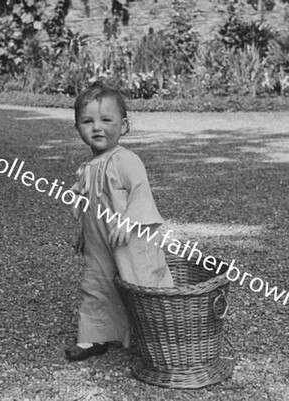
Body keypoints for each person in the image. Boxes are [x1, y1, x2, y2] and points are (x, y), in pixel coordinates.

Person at [65, 81, 174, 362]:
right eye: (87, 121)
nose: (97, 127)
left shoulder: (126, 160)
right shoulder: (88, 167)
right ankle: (95, 335)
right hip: (99, 241)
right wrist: (85, 233)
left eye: (106, 120)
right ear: (77, 128)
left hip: (129, 238)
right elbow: (90, 205)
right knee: (96, 283)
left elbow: (140, 192)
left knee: (140, 282)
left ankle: (160, 335)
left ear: (123, 126)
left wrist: (128, 222)